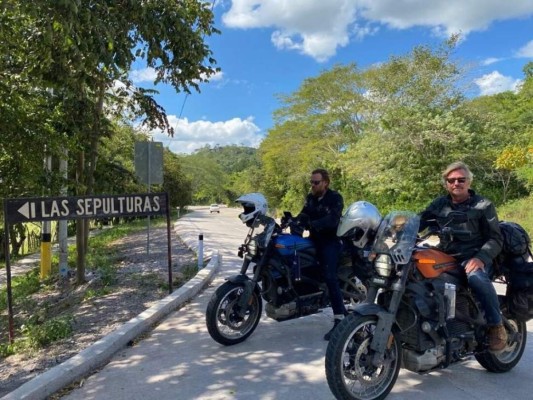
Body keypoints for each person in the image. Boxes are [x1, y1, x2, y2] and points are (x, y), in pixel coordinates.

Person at [419, 161, 507, 352]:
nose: (456, 183)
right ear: (446, 183)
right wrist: (398, 232)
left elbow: (495, 238)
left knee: (476, 278)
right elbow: (419, 221)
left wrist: (481, 258)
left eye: (461, 179)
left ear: (469, 182)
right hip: (445, 255)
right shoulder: (439, 204)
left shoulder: (483, 205)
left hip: (474, 256)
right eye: (451, 180)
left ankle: (496, 325)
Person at [294, 168, 347, 340]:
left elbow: (332, 219)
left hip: (330, 241)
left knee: (329, 276)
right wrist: (294, 221)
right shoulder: (311, 198)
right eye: (311, 182)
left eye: (316, 182)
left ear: (325, 183)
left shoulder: (335, 198)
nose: (313, 185)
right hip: (314, 240)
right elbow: (304, 213)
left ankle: (340, 318)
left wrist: (312, 224)